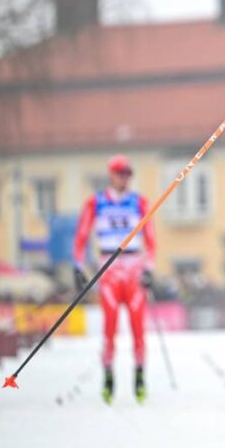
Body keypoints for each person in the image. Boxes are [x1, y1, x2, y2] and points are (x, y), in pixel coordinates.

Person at [73, 154, 157, 404]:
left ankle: (139, 376)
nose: (125, 179)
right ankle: (108, 376)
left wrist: (149, 268)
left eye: (128, 174)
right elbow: (81, 235)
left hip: (133, 270)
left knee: (138, 326)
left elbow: (151, 238)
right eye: (121, 174)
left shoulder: (139, 202)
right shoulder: (95, 203)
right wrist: (78, 267)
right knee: (109, 326)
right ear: (111, 175)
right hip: (108, 269)